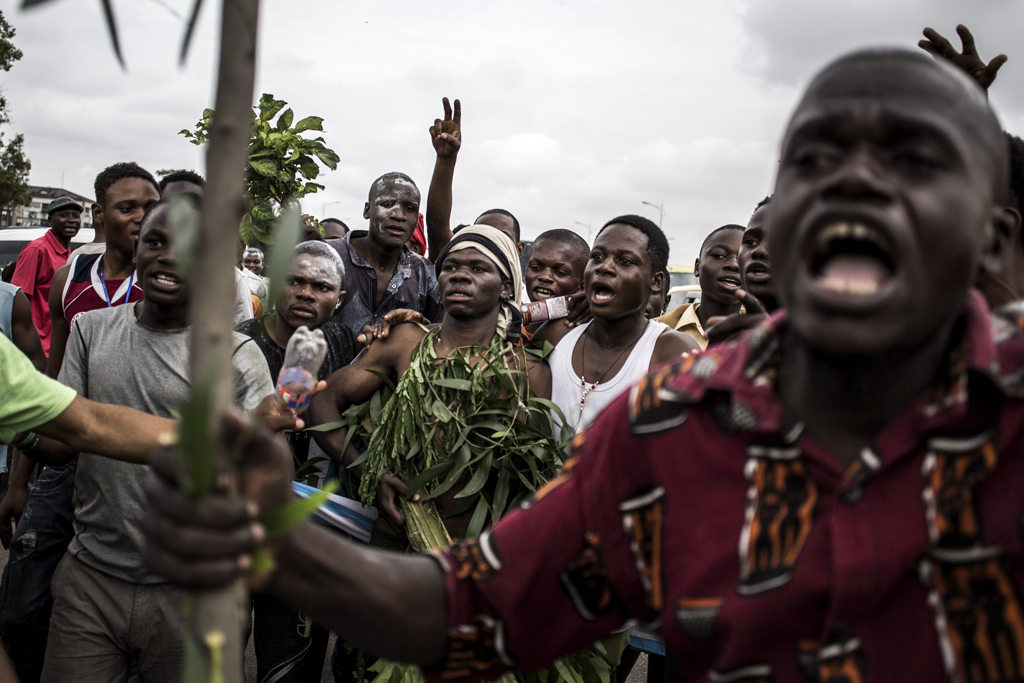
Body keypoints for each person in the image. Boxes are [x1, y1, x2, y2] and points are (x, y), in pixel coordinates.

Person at [146, 47, 1024, 682]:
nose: (858, 185)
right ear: (777, 227)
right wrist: (271, 533)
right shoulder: (673, 430)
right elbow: (476, 611)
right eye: (816, 161)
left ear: (994, 230)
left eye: (913, 162)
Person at [38, 194, 273, 682]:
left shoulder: (237, 355)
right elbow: (62, 444)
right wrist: (20, 426)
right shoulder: (89, 330)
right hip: (92, 579)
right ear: (135, 252)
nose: (167, 256)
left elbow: (260, 477)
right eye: (155, 242)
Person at [236, 240, 358, 683]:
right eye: (295, 281)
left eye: (321, 286)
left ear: (339, 300)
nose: (306, 293)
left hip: (308, 535)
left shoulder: (351, 345)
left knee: (290, 663)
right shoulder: (237, 344)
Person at [535, 216, 698, 435]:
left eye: (625, 261)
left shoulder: (671, 352)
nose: (605, 267)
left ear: (655, 282)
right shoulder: (558, 334)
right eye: (597, 257)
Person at [48, 162, 159, 379]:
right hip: (82, 410)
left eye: (151, 208)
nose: (142, 217)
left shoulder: (170, 282)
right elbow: (56, 372)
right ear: (99, 213)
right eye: (127, 209)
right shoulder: (68, 279)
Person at [326, 172, 443, 336]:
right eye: (387, 204)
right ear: (367, 210)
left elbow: (440, 336)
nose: (399, 215)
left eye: (409, 209)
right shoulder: (327, 257)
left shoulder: (426, 274)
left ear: (416, 218)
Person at [423, 98, 526, 261]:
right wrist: (446, 160)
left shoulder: (525, 287)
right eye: (481, 236)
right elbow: (437, 230)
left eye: (502, 237)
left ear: (519, 249)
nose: (490, 243)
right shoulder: (462, 280)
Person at [10, 196, 83, 356]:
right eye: (64, 215)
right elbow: (16, 299)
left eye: (75, 216)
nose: (71, 220)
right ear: (50, 220)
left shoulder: (71, 255)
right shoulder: (37, 249)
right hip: (37, 350)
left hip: (60, 349)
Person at [656, 224, 743, 349]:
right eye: (719, 255)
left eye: (743, 259)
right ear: (697, 267)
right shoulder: (654, 333)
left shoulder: (770, 336)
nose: (734, 264)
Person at [522, 228, 589, 337]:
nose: (545, 277)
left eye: (560, 273)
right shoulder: (503, 323)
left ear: (581, 286)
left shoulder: (585, 336)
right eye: (535, 268)